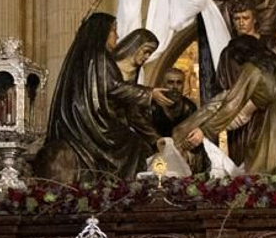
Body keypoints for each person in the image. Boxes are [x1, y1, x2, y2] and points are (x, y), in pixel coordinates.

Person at [32, 12, 175, 184]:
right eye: (113, 31)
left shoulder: (88, 57)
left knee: (135, 143)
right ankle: (122, 189)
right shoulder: (99, 57)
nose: (117, 35)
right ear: (102, 32)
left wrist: (153, 136)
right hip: (92, 123)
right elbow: (112, 87)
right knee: (134, 146)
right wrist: (149, 93)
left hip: (86, 119)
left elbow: (128, 107)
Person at [176, 7, 276, 177]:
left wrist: (205, 131)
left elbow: (232, 104)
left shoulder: (252, 68)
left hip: (273, 119)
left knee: (262, 170)